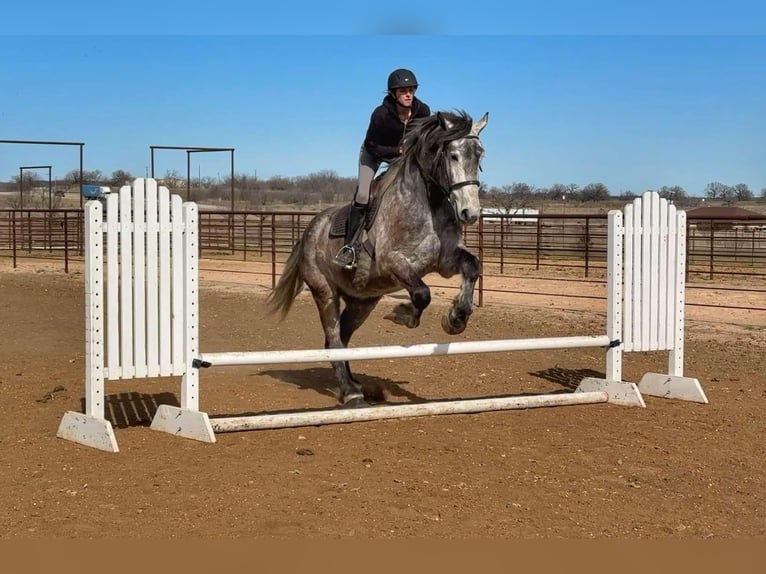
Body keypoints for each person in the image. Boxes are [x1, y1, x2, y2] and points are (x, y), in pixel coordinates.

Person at [333, 68, 431, 269]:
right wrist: (397, 151)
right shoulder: (381, 115)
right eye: (403, 90)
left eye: (411, 90)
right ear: (393, 93)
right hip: (374, 153)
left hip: (404, 157)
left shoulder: (423, 111)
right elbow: (371, 145)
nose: (408, 94)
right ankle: (350, 247)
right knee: (363, 195)